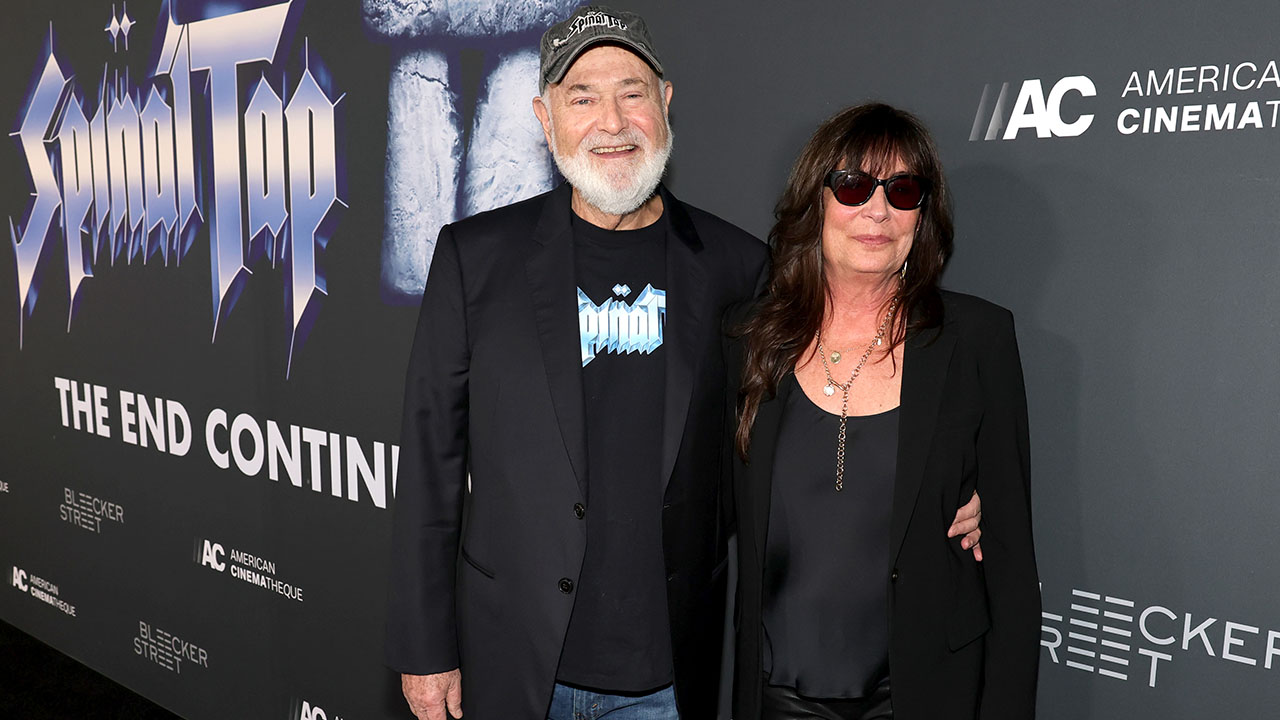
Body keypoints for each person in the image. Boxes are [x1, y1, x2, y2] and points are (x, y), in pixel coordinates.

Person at [384, 6, 986, 719]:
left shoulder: (739, 268)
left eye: (632, 92)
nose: (612, 122)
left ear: (665, 104)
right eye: (582, 97)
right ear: (546, 120)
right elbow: (430, 464)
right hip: (513, 659)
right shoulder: (475, 259)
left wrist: (941, 495)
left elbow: (803, 437)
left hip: (670, 675)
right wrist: (425, 648)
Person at [727, 103, 1040, 720]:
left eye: (902, 190)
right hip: (775, 690)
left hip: (922, 692)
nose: (878, 210)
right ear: (815, 200)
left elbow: (1010, 559)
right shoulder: (748, 339)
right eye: (853, 185)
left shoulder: (977, 339)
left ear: (922, 214)